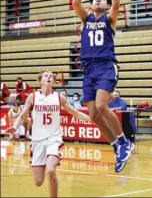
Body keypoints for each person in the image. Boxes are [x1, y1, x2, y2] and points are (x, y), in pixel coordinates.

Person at [72, 0, 134, 173]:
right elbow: (75, 2)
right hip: (88, 69)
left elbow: (116, 4)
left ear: (107, 5)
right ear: (91, 5)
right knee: (94, 115)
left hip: (106, 66)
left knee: (101, 105)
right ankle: (116, 146)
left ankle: (124, 141)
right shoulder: (85, 19)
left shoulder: (110, 19)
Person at [5, 70, 91, 198]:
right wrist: (14, 127)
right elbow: (23, 115)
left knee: (51, 170)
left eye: (51, 76)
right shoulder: (33, 97)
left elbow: (76, 113)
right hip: (38, 141)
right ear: (40, 81)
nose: (49, 77)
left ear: (53, 81)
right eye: (46, 76)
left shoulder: (59, 97)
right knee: (38, 182)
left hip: (53, 139)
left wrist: (93, 119)